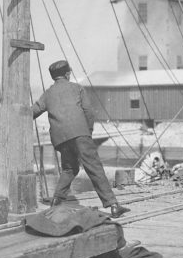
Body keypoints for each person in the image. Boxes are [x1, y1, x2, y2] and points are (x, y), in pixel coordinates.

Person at [32, 60, 130, 218]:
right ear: (67, 74)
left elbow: (33, 111)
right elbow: (88, 112)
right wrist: (87, 133)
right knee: (94, 167)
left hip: (60, 138)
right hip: (79, 134)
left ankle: (56, 200)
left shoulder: (48, 93)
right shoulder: (77, 88)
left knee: (70, 168)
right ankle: (113, 205)